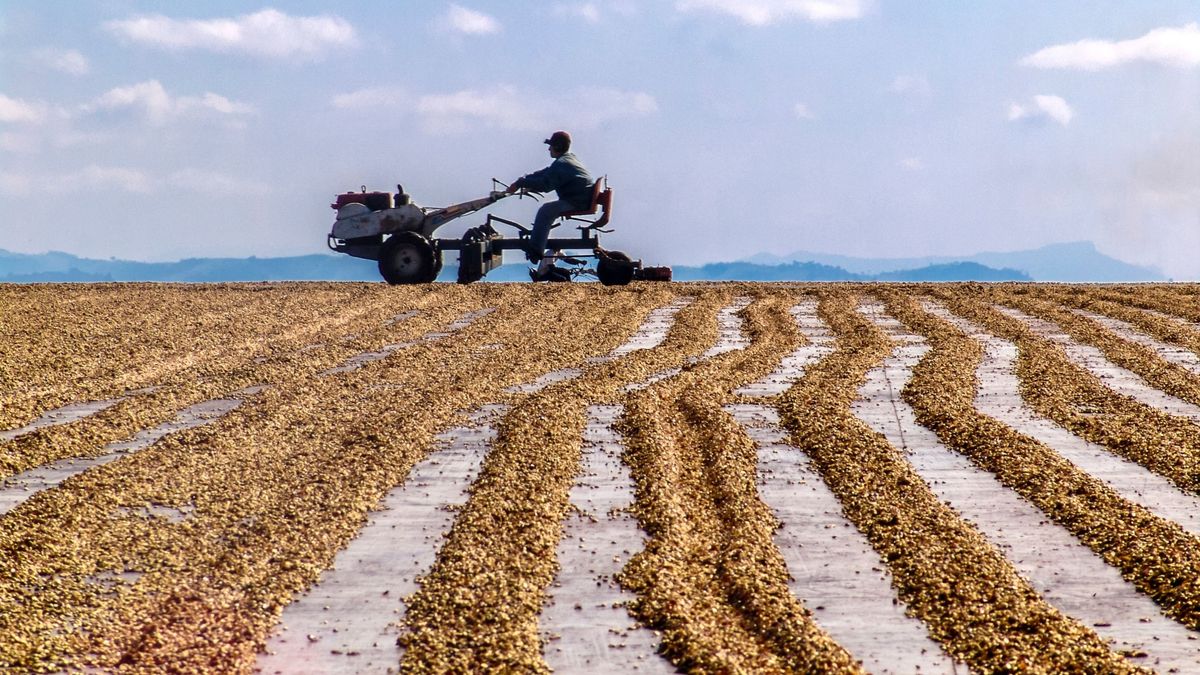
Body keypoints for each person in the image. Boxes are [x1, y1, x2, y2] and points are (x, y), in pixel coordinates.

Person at [506, 131, 592, 278]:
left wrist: (521, 183)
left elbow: (546, 185)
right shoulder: (566, 160)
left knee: (546, 211)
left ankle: (535, 250)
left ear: (557, 146)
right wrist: (526, 179)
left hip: (577, 201)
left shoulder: (562, 163)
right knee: (547, 210)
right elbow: (546, 173)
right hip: (579, 198)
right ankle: (538, 246)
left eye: (551, 146)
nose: (548, 149)